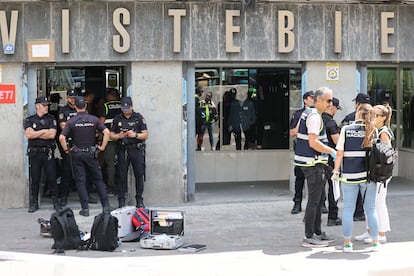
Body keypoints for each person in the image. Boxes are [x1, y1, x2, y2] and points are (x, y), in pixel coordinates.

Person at [332, 103, 380, 252]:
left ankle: (347, 243)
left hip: (349, 176)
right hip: (368, 177)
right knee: (370, 210)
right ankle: (375, 242)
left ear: (358, 113)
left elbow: (339, 153)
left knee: (348, 210)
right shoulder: (374, 131)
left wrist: (336, 171)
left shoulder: (346, 130)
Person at [294, 87, 336, 247]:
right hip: (313, 163)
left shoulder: (309, 113)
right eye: (328, 100)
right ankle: (309, 236)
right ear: (318, 100)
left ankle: (317, 232)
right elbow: (313, 142)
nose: (330, 104)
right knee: (314, 201)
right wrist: (331, 151)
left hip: (312, 162)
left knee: (318, 200)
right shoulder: (314, 117)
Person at [59, 96, 112, 217]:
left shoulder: (72, 121)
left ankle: (85, 209)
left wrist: (66, 149)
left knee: (81, 181)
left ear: (75, 106)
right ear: (86, 106)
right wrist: (102, 147)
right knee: (98, 180)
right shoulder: (93, 119)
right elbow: (107, 132)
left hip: (77, 154)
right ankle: (106, 207)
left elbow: (62, 137)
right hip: (91, 153)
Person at [355, 103, 394, 244]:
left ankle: (381, 232)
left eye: (376, 115)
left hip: (380, 174)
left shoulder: (383, 132)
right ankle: (370, 230)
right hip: (373, 172)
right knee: (369, 203)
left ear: (383, 117)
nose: (373, 117)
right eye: (372, 114)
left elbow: (387, 154)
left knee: (378, 203)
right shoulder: (375, 129)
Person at [110, 97, 148, 208]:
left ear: (132, 107)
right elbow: (111, 135)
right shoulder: (117, 118)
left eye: (128, 108)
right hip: (123, 149)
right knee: (122, 175)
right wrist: (119, 136)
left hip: (136, 149)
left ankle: (139, 199)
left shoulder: (138, 118)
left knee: (139, 175)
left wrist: (135, 135)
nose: (126, 110)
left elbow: (146, 134)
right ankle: (121, 200)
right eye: (124, 108)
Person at [24, 97, 59, 212]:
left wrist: (36, 133)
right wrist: (44, 131)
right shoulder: (29, 120)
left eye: (47, 105)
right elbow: (29, 135)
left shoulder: (51, 119)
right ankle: (34, 202)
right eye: (44, 105)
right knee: (35, 178)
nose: (46, 107)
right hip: (34, 153)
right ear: (37, 106)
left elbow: (52, 135)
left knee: (52, 177)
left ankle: (56, 202)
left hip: (47, 152)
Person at [340, 92, 371, 222]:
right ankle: (362, 214)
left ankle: (355, 213)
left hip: (350, 165)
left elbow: (339, 140)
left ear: (357, 104)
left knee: (350, 197)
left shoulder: (348, 120)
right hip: (368, 165)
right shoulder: (374, 120)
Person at [289, 90, 314, 214]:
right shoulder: (299, 114)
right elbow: (292, 132)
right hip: (301, 152)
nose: (313, 100)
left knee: (317, 180)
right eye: (311, 98)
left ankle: (321, 203)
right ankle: (297, 203)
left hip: (315, 153)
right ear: (305, 100)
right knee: (299, 179)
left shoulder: (319, 114)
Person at [322, 97, 342, 226]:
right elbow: (337, 141)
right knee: (333, 188)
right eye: (336, 109)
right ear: (332, 107)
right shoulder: (330, 123)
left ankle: (313, 216)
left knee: (317, 188)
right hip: (330, 159)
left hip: (318, 158)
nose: (336, 112)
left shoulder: (317, 119)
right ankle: (333, 216)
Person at [57, 89, 78, 206]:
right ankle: (63, 196)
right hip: (68, 144)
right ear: (67, 98)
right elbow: (63, 126)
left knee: (83, 171)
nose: (72, 100)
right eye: (70, 97)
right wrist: (78, 125)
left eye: (74, 97)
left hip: (81, 143)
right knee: (66, 171)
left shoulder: (81, 108)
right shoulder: (63, 110)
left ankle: (85, 195)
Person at [99, 88, 122, 194]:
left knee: (110, 163)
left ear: (110, 96)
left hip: (109, 139)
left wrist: (99, 136)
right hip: (122, 138)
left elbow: (101, 123)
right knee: (122, 162)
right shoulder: (123, 105)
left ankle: (111, 185)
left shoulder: (106, 106)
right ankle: (123, 184)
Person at [195, 86, 205, 151]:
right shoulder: (196, 99)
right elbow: (197, 110)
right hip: (197, 120)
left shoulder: (196, 98)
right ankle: (199, 147)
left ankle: (198, 147)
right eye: (202, 91)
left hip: (197, 120)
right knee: (200, 134)